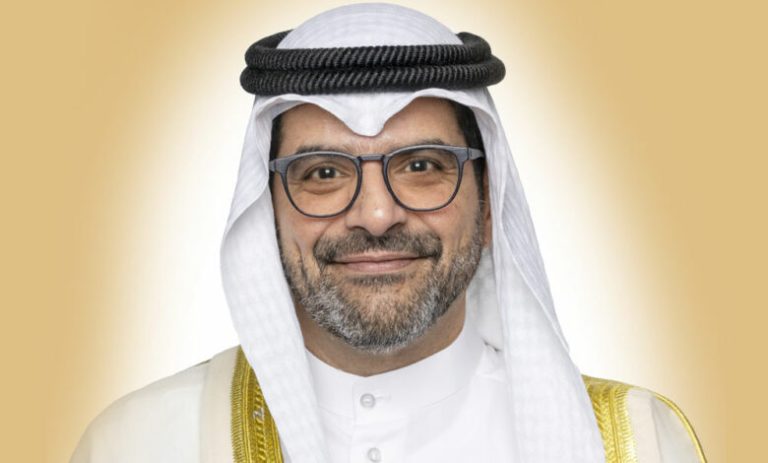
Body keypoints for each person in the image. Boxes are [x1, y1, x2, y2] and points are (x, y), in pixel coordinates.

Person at [71, 4, 707, 463]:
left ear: (489, 204)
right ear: (266, 213)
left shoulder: (637, 444)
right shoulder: (139, 443)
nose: (376, 216)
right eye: (323, 173)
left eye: (422, 167)